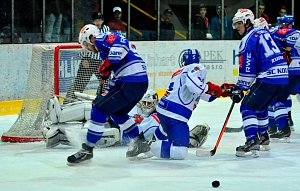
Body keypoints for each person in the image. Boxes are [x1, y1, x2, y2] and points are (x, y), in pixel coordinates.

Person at [66, 25, 148, 165]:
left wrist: (109, 64)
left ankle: (87, 149)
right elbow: (115, 70)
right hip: (139, 82)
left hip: (130, 80)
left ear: (90, 38)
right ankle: (140, 142)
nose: (86, 48)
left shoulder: (100, 39)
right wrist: (107, 70)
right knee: (117, 113)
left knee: (99, 109)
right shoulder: (104, 50)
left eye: (85, 44)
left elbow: (123, 43)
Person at [126, 49, 228, 160]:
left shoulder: (179, 72)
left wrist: (222, 92)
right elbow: (193, 86)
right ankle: (148, 146)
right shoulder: (196, 68)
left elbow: (202, 94)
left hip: (163, 110)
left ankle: (149, 144)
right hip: (175, 115)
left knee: (164, 129)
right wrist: (210, 88)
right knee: (180, 152)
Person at [44, 90, 210, 149]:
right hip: (115, 120)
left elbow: (165, 135)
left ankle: (58, 135)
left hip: (119, 136)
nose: (146, 105)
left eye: (149, 103)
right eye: (144, 102)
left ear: (155, 103)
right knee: (92, 109)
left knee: (101, 133)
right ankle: (59, 115)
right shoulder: (135, 106)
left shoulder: (158, 118)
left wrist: (190, 139)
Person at [230, 9, 289, 158]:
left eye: (239, 23)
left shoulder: (248, 39)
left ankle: (252, 140)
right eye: (235, 24)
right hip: (283, 77)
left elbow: (248, 68)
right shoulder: (264, 33)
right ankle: (263, 137)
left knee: (247, 106)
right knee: (260, 106)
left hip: (269, 78)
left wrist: (240, 88)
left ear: (248, 22)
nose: (237, 27)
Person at [64, 13, 110, 104]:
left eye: (100, 20)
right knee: (80, 83)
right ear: (93, 21)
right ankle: (68, 102)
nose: (98, 22)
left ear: (103, 20)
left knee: (106, 82)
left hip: (100, 61)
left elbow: (107, 44)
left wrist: (105, 59)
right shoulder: (88, 29)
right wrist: (83, 58)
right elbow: (82, 43)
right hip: (88, 60)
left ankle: (99, 101)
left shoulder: (106, 29)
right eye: (96, 20)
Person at [267, 15, 300, 137]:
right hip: (294, 71)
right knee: (285, 96)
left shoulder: (293, 33)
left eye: (283, 25)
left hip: (293, 71)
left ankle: (279, 126)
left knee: (277, 97)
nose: (281, 27)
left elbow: (288, 48)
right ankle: (288, 119)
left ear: (289, 25)